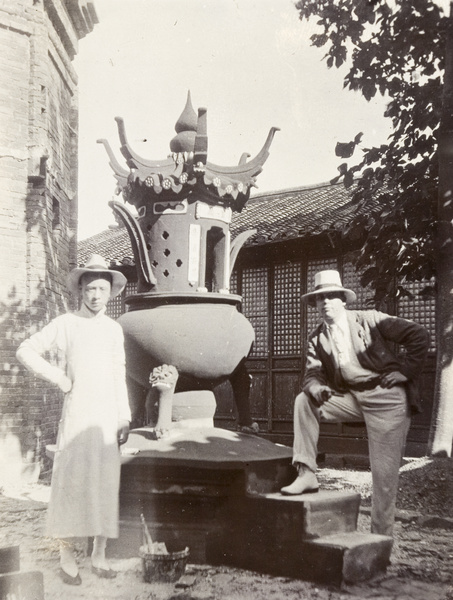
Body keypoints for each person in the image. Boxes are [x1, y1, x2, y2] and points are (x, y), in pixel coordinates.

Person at [281, 270, 429, 536]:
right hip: (351, 399)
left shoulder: (369, 320)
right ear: (315, 304)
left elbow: (418, 335)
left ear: (343, 300)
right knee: (305, 401)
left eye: (331, 297)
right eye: (320, 298)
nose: (326, 302)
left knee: (383, 479)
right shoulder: (317, 338)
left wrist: (405, 371)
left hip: (387, 400)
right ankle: (306, 473)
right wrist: (318, 389)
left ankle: (379, 541)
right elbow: (311, 375)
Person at [16, 254, 131, 585]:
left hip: (107, 416)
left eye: (101, 289)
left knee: (105, 482)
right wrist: (60, 379)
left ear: (111, 292)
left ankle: (99, 555)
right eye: (90, 288)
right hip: (78, 413)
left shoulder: (113, 330)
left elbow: (118, 372)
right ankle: (67, 558)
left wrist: (123, 415)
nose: (96, 295)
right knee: (70, 484)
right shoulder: (65, 324)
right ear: (80, 290)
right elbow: (25, 350)